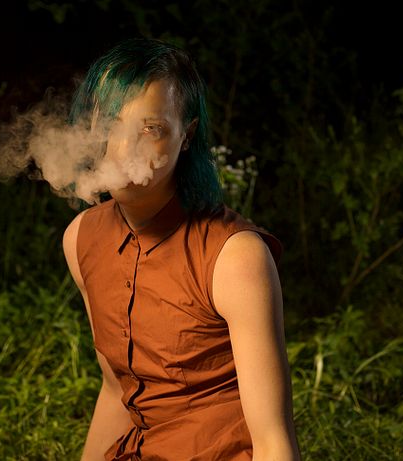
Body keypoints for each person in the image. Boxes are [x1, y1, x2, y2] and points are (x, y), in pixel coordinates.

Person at [62, 38, 300, 461]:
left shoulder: (236, 257)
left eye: (150, 129)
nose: (124, 149)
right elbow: (116, 392)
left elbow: (274, 442)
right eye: (111, 124)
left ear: (186, 136)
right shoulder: (81, 239)